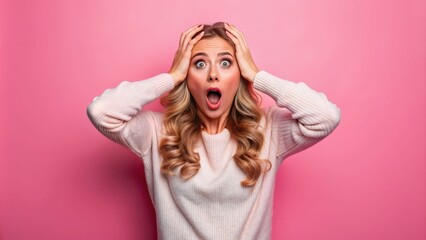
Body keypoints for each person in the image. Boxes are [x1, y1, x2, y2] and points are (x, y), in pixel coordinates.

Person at [87, 22, 340, 240]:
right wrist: (172, 76)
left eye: (226, 63)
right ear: (188, 76)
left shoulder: (268, 130)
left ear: (238, 74)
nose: (213, 75)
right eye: (199, 64)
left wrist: (256, 75)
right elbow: (102, 112)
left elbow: (326, 116)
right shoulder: (158, 132)